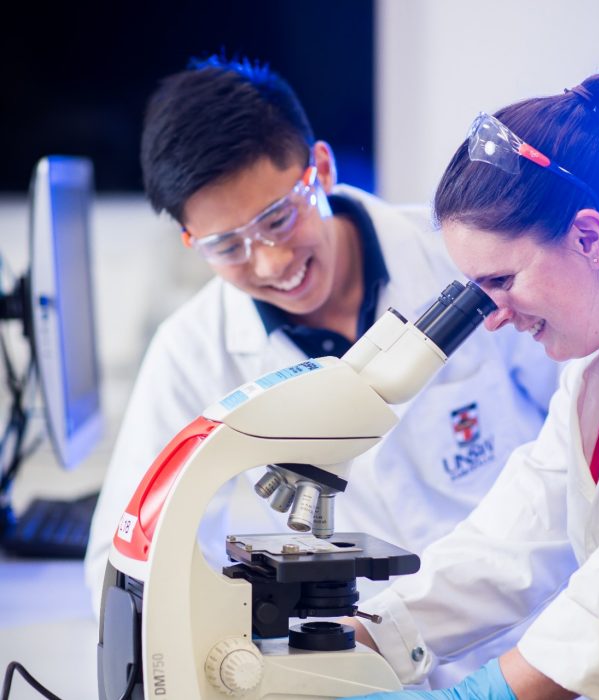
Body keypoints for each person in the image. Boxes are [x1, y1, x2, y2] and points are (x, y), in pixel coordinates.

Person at [84, 55, 559, 685]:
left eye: (280, 216)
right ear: (191, 244)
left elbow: (585, 445)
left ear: (323, 169)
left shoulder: (464, 259)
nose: (273, 260)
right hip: (348, 665)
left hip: (539, 640)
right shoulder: (192, 350)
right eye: (228, 246)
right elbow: (126, 556)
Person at [347, 73, 599, 700]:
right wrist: (358, 638)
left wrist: (488, 693)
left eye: (502, 280)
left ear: (589, 237)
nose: (493, 315)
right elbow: (513, 541)